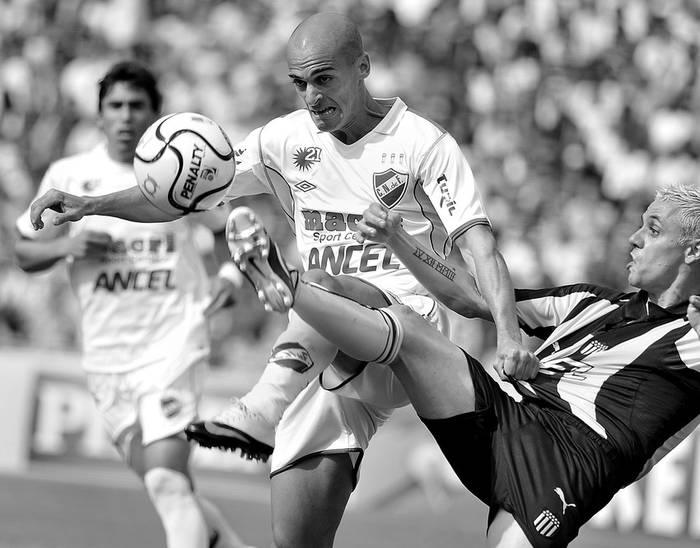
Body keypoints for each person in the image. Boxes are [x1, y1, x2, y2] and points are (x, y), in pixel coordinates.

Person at [28, 14, 538, 547]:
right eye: (299, 83)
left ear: (362, 67)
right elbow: (183, 194)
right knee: (294, 541)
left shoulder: (422, 144)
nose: (311, 96)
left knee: (322, 280)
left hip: (410, 338)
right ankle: (283, 331)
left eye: (324, 79)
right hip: (321, 350)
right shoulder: (282, 141)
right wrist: (91, 204)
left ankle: (262, 400)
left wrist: (507, 336)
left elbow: (481, 247)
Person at [221, 182, 700, 548]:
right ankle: (287, 279)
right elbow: (476, 299)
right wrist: (399, 240)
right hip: (499, 416)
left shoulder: (692, 339)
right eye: (641, 224)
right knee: (404, 327)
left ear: (693, 251)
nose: (635, 238)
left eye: (654, 229)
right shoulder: (591, 301)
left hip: (565, 468)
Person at [14, 61, 251, 548]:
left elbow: (235, 229)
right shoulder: (70, 173)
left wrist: (230, 275)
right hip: (106, 358)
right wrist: (63, 248)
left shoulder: (178, 174)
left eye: (136, 106)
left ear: (155, 113)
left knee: (167, 482)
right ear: (99, 115)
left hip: (174, 343)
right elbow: (22, 250)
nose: (125, 116)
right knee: (168, 487)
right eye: (115, 106)